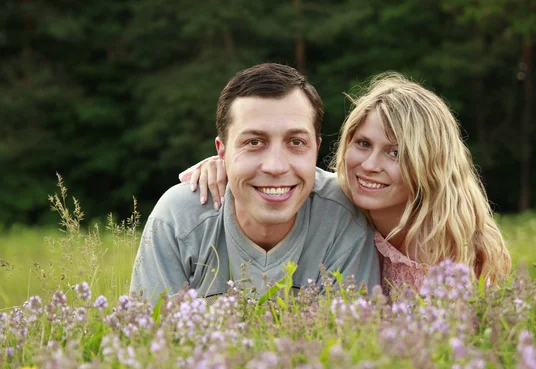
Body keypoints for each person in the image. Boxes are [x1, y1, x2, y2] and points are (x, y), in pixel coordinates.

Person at [180, 72, 511, 298]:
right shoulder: (335, 205)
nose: (369, 165)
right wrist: (223, 164)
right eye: (363, 144)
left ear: (430, 162)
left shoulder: (452, 244)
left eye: (395, 152)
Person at [131, 63, 380, 305]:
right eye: (253, 142)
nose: (275, 167)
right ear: (222, 151)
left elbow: (350, 340)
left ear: (315, 148)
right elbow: (153, 339)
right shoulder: (177, 220)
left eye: (295, 142)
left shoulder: (343, 216)